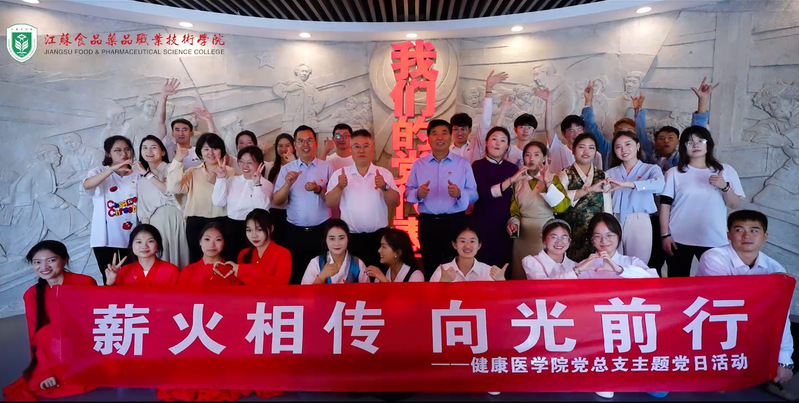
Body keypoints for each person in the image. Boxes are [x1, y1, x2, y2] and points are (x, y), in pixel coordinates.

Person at [697, 210, 794, 397]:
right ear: (728, 235)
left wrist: (784, 359)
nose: (746, 236)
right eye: (739, 229)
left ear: (765, 237)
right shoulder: (713, 257)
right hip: (711, 326)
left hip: (750, 328)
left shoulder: (775, 268)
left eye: (754, 230)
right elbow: (725, 300)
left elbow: (782, 317)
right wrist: (769, 284)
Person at [2, 241, 96, 401]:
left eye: (51, 260)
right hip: (55, 350)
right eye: (37, 262)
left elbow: (96, 322)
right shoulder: (32, 294)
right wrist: (44, 371)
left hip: (85, 346)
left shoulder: (85, 282)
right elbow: (35, 335)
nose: (44, 267)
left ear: (65, 260)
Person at [659, 125, 744, 277]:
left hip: (714, 237)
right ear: (683, 147)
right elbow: (665, 206)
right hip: (678, 237)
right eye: (690, 142)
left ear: (708, 144)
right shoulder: (674, 173)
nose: (695, 145)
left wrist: (724, 186)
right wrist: (665, 234)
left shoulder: (725, 170)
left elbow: (735, 204)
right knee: (678, 282)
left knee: (715, 283)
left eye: (700, 141)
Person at [405, 119, 478, 279]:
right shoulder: (419, 165)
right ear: (428, 138)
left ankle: (456, 295)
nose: (440, 137)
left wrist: (460, 193)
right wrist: (418, 193)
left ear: (450, 136)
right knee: (431, 266)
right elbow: (407, 193)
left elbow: (474, 195)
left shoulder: (462, 164)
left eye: (444, 133)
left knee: (457, 266)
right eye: (435, 133)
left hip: (456, 222)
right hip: (428, 223)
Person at [326, 129, 399, 267]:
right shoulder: (340, 174)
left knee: (379, 275)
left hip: (379, 237)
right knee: (354, 276)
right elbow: (330, 202)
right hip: (351, 237)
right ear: (351, 150)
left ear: (372, 149)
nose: (361, 150)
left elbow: (395, 202)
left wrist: (384, 187)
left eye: (366, 146)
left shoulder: (384, 174)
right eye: (356, 146)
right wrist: (340, 187)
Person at [273, 125, 333, 284]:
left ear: (315, 143)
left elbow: (334, 200)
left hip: (322, 231)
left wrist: (319, 189)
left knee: (322, 275)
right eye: (300, 141)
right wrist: (287, 184)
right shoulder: (287, 169)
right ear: (295, 145)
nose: (305, 145)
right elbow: (277, 200)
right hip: (295, 233)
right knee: (295, 276)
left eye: (309, 140)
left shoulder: (327, 167)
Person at [167, 132, 236, 263]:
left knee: (225, 260)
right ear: (200, 152)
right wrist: (177, 160)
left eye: (215, 148)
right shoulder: (192, 172)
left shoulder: (231, 172)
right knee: (198, 261)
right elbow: (173, 188)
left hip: (223, 221)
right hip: (197, 222)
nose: (211, 153)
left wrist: (218, 181)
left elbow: (234, 199)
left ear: (221, 151)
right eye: (206, 149)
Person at [507, 141, 571, 279]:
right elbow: (515, 209)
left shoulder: (553, 178)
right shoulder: (518, 180)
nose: (531, 158)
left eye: (536, 155)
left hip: (546, 231)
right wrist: (514, 222)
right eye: (527, 155)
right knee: (520, 273)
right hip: (523, 234)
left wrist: (547, 182)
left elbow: (562, 207)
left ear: (544, 158)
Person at [83, 135, 138, 284]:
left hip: (132, 237)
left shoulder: (137, 173)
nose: (124, 154)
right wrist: (113, 168)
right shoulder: (99, 172)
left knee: (132, 278)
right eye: (118, 150)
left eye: (127, 149)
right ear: (108, 153)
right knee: (109, 279)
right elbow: (87, 185)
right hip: (104, 239)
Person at [605, 131, 664, 266]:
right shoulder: (610, 173)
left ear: (637, 146)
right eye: (618, 147)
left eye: (628, 144)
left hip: (639, 220)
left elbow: (659, 185)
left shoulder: (650, 169)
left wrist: (629, 184)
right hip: (614, 220)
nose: (623, 150)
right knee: (613, 264)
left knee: (638, 266)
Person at [554, 133, 612, 262]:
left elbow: (607, 208)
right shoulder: (565, 174)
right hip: (570, 231)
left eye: (591, 148)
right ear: (573, 150)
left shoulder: (603, 175)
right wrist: (587, 190)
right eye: (581, 147)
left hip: (595, 234)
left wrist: (608, 231)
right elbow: (559, 200)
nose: (586, 152)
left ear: (596, 152)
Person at [135, 135, 189, 268]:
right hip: (155, 224)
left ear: (163, 152)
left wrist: (148, 175)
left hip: (177, 218)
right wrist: (145, 232)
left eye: (154, 147)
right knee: (160, 260)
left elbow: (169, 191)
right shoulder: (141, 179)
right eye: (145, 148)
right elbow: (143, 210)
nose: (149, 151)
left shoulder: (173, 168)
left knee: (181, 257)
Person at [470, 126, 518, 271]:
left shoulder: (512, 169)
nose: (498, 143)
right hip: (482, 224)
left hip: (505, 227)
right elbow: (483, 194)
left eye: (503, 140)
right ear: (486, 142)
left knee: (503, 268)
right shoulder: (477, 166)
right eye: (494, 139)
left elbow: (516, 200)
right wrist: (509, 181)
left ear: (507, 146)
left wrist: (514, 221)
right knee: (481, 267)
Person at [212, 145, 273, 255]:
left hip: (252, 230)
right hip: (230, 226)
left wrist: (257, 185)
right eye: (241, 161)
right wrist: (221, 178)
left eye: (250, 162)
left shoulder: (265, 184)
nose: (245, 166)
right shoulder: (231, 180)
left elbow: (262, 209)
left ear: (260, 164)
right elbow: (218, 202)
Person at [573, 213, 659, 279]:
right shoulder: (584, 265)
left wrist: (620, 270)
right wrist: (578, 270)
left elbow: (654, 277)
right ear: (591, 239)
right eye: (598, 236)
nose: (604, 241)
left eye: (609, 235)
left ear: (619, 236)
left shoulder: (631, 262)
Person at [449, 70, 508, 164]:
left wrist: (488, 89)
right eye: (456, 129)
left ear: (469, 130)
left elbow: (485, 121)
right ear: (451, 131)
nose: (459, 133)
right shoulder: (447, 152)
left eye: (463, 129)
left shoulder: (477, 145)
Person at [105, 224, 179, 286]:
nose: (144, 246)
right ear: (131, 245)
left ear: (158, 244)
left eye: (150, 241)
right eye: (139, 242)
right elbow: (114, 298)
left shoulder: (172, 271)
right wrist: (110, 282)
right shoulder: (123, 271)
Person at [301, 219, 368, 284]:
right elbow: (305, 291)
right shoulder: (316, 263)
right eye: (332, 239)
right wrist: (321, 277)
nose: (337, 243)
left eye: (341, 238)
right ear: (326, 240)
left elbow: (367, 290)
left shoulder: (358, 264)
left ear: (348, 239)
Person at [429, 228, 507, 282]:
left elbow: (503, 299)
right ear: (454, 244)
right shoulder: (442, 271)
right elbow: (430, 299)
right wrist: (443, 282)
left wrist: (502, 281)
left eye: (472, 241)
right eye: (462, 241)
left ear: (479, 245)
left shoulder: (489, 272)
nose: (467, 246)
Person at [266, 133, 296, 247]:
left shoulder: (298, 166)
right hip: (274, 212)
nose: (284, 149)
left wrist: (292, 163)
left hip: (292, 212)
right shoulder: (270, 167)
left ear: (294, 147)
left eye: (287, 145)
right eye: (280, 146)